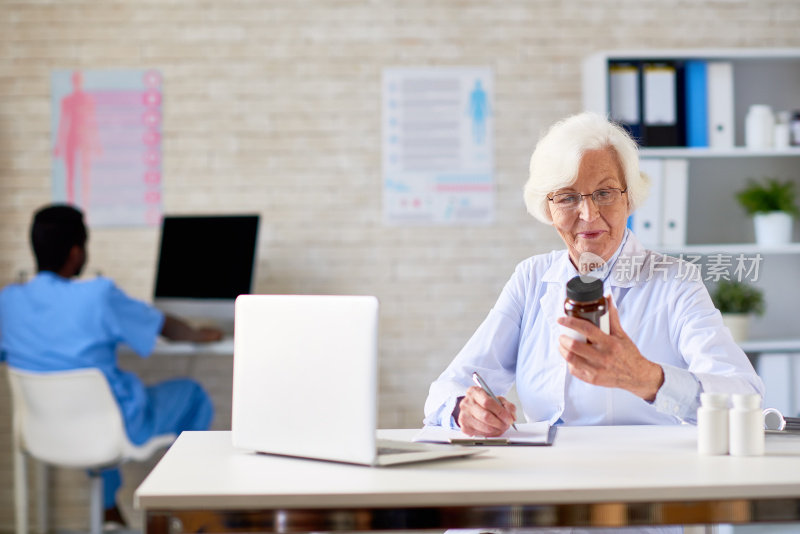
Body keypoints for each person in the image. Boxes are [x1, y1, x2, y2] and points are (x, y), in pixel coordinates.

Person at [424, 112, 764, 440]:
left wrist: (647, 379)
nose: (588, 214)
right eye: (568, 197)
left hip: (649, 478)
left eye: (604, 193)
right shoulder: (532, 278)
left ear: (629, 198)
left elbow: (744, 396)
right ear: (548, 209)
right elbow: (448, 386)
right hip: (548, 477)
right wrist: (463, 410)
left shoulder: (675, 281)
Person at [0, 204, 223, 526]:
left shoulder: (9, 301)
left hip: (41, 431)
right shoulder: (98, 295)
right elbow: (167, 328)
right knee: (192, 394)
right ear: (77, 253)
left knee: (98, 405)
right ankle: (182, 510)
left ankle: (108, 511)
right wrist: (202, 334)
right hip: (106, 428)